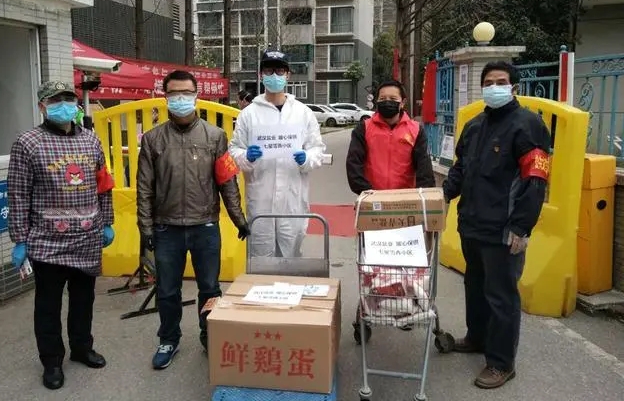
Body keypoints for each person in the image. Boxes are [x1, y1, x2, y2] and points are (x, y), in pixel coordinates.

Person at [442, 61, 551, 389]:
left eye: (500, 81)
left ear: (514, 87)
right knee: (475, 286)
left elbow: (535, 180)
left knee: (502, 296)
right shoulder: (474, 126)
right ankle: (476, 337)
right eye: (488, 82)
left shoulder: (528, 125)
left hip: (504, 230)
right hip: (472, 224)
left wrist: (521, 226)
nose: (493, 87)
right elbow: (460, 168)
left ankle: (502, 363)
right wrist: (443, 194)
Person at [137, 70, 250, 369]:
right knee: (167, 290)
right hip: (166, 228)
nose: (181, 99)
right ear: (165, 97)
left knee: (210, 288)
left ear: (196, 95)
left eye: (186, 93)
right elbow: (144, 187)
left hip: (205, 227)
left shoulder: (215, 136)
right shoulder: (152, 140)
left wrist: (239, 219)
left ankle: (210, 334)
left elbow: (227, 182)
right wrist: (145, 228)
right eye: (174, 93)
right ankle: (168, 339)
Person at [7, 81, 115, 390]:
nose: (64, 105)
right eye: (56, 100)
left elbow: (103, 185)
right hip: (47, 241)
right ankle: (52, 361)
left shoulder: (91, 140)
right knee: (48, 306)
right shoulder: (28, 143)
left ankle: (82, 348)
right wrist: (20, 238)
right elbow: (18, 193)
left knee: (83, 300)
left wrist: (107, 222)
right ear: (42, 105)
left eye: (69, 99)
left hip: (86, 238)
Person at [229, 50, 325, 258]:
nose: (274, 75)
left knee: (291, 254)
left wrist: (306, 158)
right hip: (261, 198)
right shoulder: (248, 114)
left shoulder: (302, 113)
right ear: (261, 75)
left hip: (292, 199)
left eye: (280, 71)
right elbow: (234, 149)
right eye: (269, 70)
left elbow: (317, 149)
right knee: (260, 255)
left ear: (288, 75)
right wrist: (246, 156)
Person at [346, 80, 436, 194]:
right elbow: (354, 163)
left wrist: (421, 195)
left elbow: (424, 167)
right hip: (371, 197)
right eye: (382, 99)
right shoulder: (364, 128)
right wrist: (365, 191)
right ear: (377, 101)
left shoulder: (416, 130)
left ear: (402, 102)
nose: (387, 102)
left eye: (393, 99)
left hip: (406, 198)